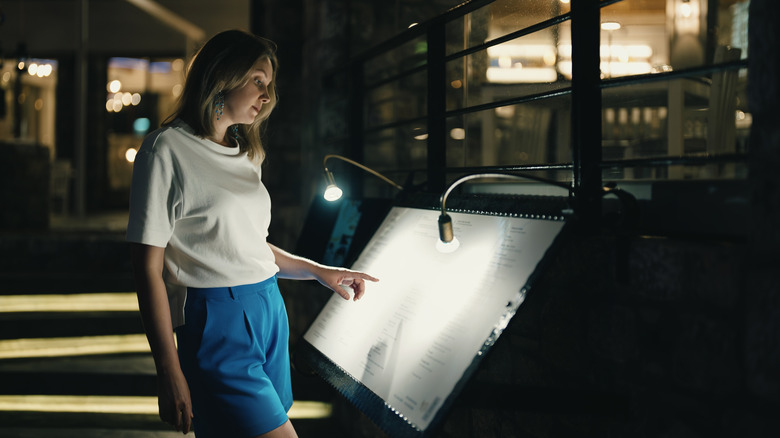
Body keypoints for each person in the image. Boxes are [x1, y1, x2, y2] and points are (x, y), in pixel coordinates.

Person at [126, 29, 378, 438]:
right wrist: (168, 369)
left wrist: (319, 271)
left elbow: (247, 247)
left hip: (268, 310)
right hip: (215, 323)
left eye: (270, 85)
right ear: (222, 77)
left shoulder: (245, 153)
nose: (267, 96)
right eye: (258, 81)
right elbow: (145, 269)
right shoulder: (164, 151)